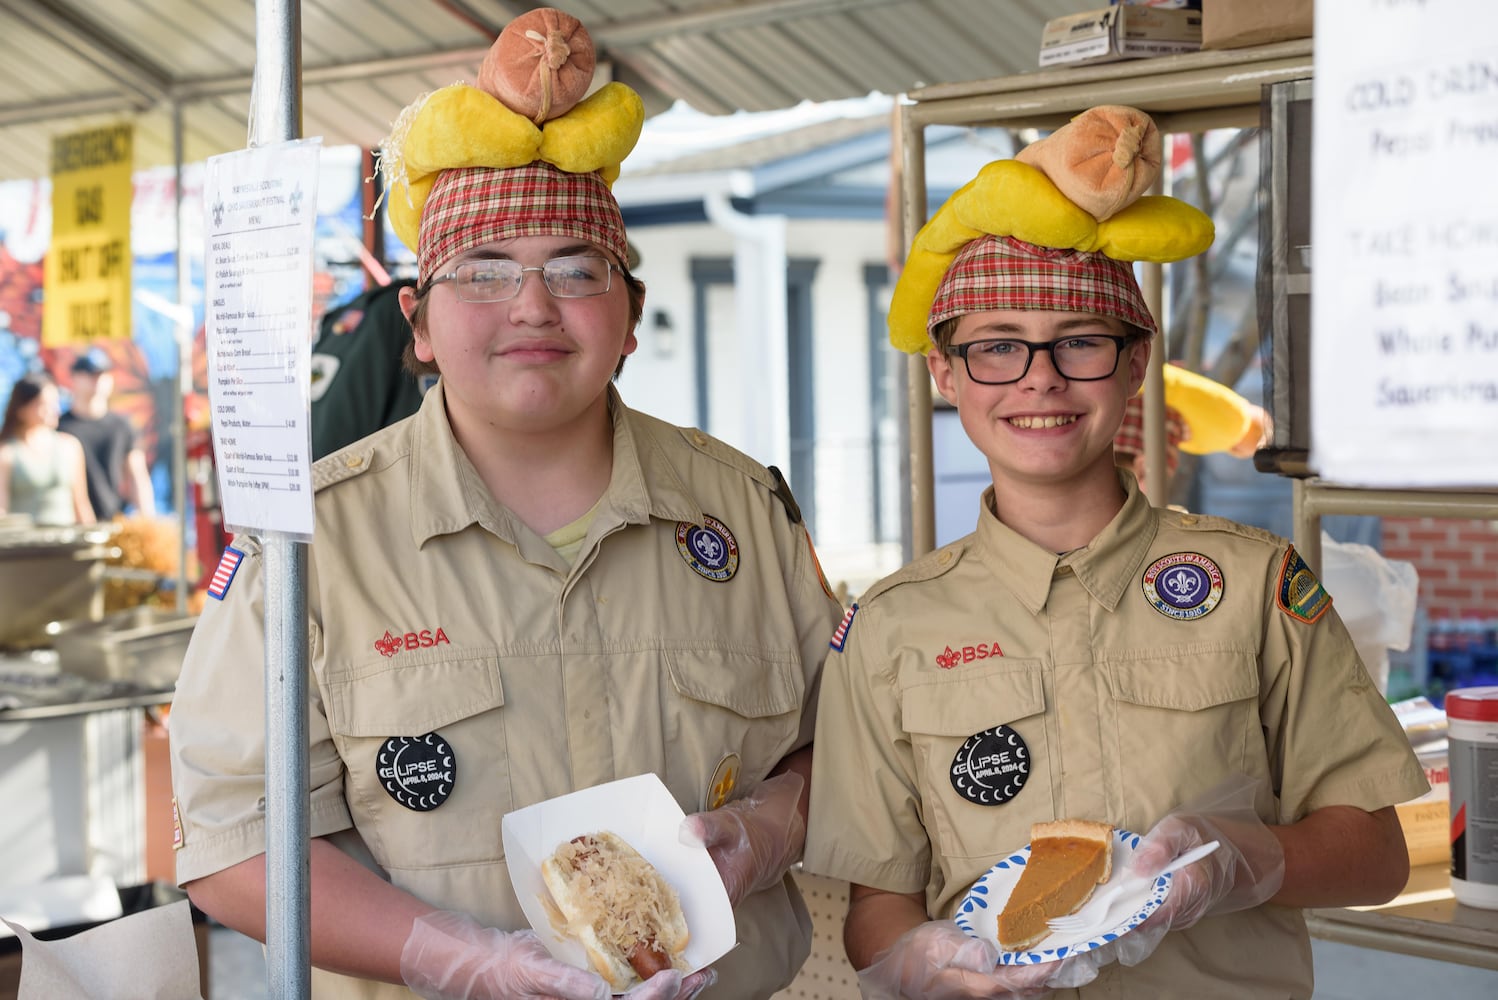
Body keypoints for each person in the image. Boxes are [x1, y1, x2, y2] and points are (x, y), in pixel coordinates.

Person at [168, 8, 842, 1000]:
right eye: (481, 272)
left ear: (631, 317)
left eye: (577, 270)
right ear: (419, 324)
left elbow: (843, 745)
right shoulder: (312, 538)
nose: (532, 306)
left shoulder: (742, 512)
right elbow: (233, 845)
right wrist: (467, 959)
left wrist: (770, 827)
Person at [802, 105, 1427, 998]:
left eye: (1080, 344)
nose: (1039, 379)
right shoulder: (891, 627)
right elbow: (878, 902)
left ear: (1136, 366)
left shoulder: (1256, 582)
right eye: (996, 349)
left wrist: (1244, 865)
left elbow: (1379, 857)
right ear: (945, 377)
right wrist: (922, 965)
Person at [59, 349, 157, 520]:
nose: (96, 380)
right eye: (90, 374)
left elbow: (137, 476)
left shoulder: (122, 426)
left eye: (101, 374)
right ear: (74, 379)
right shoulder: (61, 427)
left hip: (112, 518)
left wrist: (148, 519)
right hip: (69, 523)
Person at [0, 370, 95, 525]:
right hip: (23, 546)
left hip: (67, 542)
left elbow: (81, 503)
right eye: (44, 404)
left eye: (55, 402)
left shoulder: (69, 446)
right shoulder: (7, 453)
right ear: (22, 409)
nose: (54, 410)